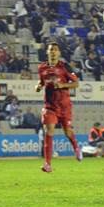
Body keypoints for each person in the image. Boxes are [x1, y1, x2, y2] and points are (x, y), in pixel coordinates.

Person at [35, 42, 82, 173]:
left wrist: (62, 86)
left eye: (55, 50)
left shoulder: (64, 67)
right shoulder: (42, 68)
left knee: (68, 132)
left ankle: (76, 147)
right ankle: (47, 164)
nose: (53, 52)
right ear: (47, 52)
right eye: (51, 50)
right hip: (50, 106)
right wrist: (38, 86)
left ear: (59, 53)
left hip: (64, 106)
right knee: (49, 130)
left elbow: (76, 84)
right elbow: (42, 81)